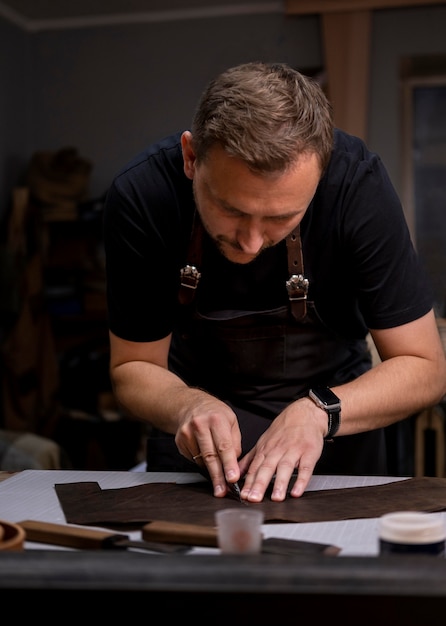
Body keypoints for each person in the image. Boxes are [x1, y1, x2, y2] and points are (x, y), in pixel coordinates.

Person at [103, 61, 446, 503]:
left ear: (321, 176)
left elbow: (426, 367)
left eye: (282, 218)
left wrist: (319, 411)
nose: (249, 243)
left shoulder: (357, 187)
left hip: (336, 436)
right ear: (192, 158)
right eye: (231, 209)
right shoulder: (142, 195)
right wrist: (189, 405)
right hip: (197, 449)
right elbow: (132, 367)